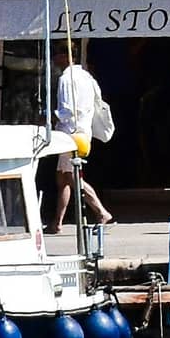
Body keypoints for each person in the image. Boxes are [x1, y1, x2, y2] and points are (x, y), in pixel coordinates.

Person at [49, 48, 114, 232]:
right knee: (63, 178)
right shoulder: (87, 77)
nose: (54, 59)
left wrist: (48, 116)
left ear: (65, 56)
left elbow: (68, 111)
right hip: (82, 131)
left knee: (72, 176)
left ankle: (101, 211)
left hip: (71, 133)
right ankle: (57, 222)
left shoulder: (66, 79)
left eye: (56, 55)